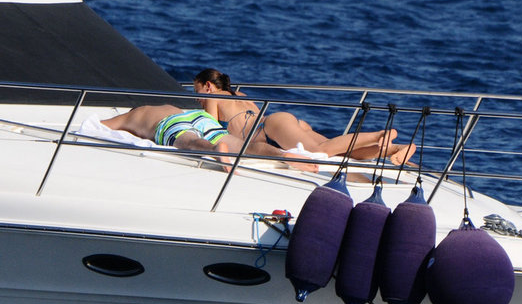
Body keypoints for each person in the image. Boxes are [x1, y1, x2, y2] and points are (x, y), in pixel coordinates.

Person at [193, 68, 416, 165]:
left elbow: (210, 128)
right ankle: (394, 149)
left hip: (271, 128)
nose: (197, 98)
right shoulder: (239, 95)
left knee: (320, 151)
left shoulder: (213, 97)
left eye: (197, 92)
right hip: (279, 125)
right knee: (342, 152)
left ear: (208, 86)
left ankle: (380, 134)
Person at [101, 104, 319, 172]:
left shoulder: (136, 114)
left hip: (170, 124)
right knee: (243, 146)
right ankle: (282, 154)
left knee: (188, 141)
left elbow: (101, 126)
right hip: (200, 117)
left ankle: (214, 150)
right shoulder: (171, 106)